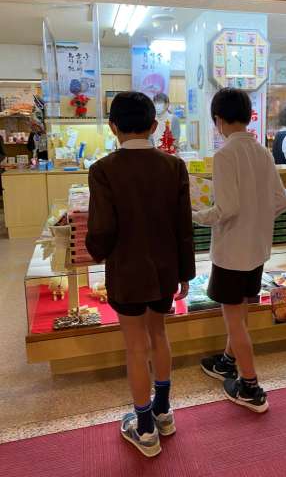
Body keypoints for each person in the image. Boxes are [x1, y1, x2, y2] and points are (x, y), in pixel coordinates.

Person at [86, 92, 195, 458]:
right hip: (165, 270)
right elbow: (183, 228)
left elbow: (102, 229)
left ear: (112, 127)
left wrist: (94, 251)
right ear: (154, 125)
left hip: (127, 271)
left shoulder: (103, 169)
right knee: (159, 335)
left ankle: (145, 428)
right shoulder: (174, 166)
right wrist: (185, 273)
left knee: (135, 346)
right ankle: (163, 412)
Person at [193, 88, 286, 413]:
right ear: (248, 116)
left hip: (232, 252)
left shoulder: (225, 155)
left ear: (218, 120)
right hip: (257, 249)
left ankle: (250, 386)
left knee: (234, 320)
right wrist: (257, 219)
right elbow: (281, 200)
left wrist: (196, 216)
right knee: (241, 312)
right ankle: (227, 361)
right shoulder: (262, 152)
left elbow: (227, 208)